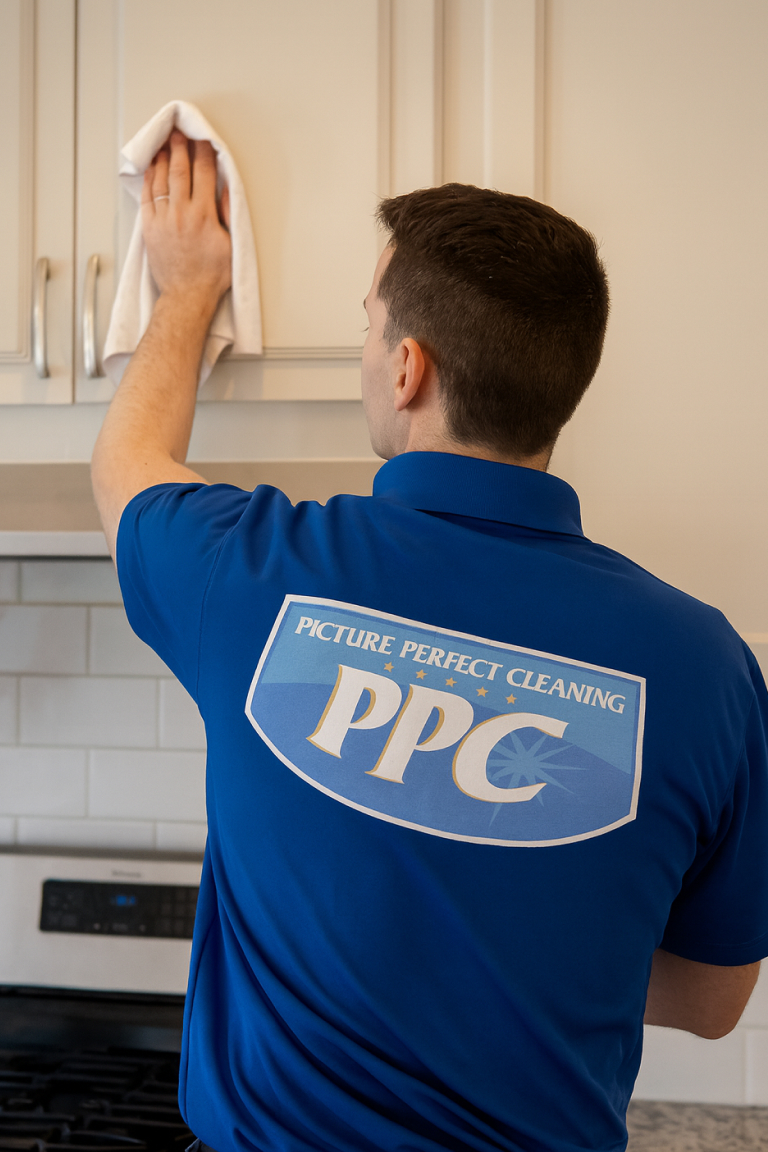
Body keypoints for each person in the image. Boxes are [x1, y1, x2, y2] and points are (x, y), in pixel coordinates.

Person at [92, 129, 768, 1152]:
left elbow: (129, 463)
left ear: (406, 368)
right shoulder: (711, 669)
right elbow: (717, 999)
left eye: (368, 327)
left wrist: (189, 285)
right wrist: (517, 952)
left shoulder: (255, 574)